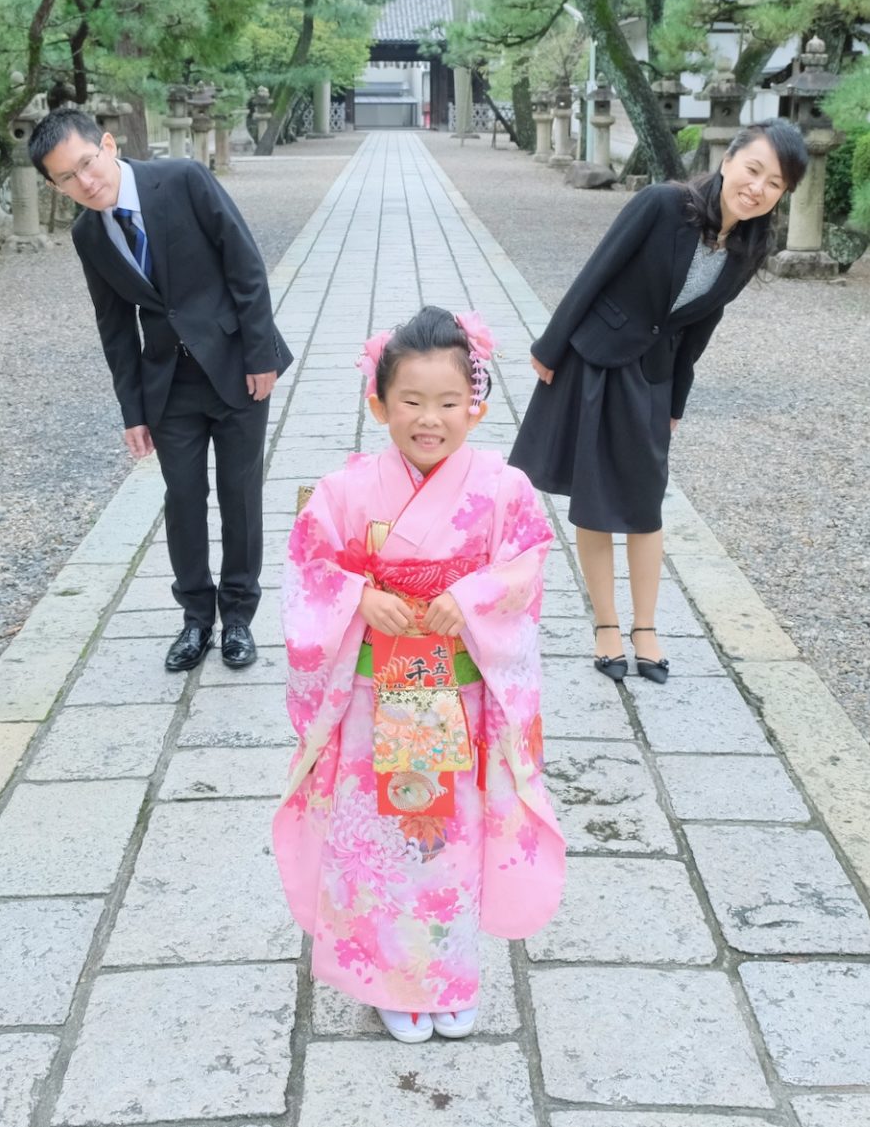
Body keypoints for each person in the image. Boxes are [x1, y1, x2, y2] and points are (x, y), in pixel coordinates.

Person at [274, 307, 565, 1044]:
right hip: (379, 695)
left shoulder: (503, 489)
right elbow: (309, 567)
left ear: (478, 404)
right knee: (384, 839)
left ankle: (448, 976)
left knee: (448, 838)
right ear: (378, 403)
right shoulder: (345, 491)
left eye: (447, 402)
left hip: (459, 693)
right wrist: (360, 596)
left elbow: (526, 563)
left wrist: (467, 598)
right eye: (410, 400)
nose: (428, 419)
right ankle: (386, 978)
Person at [509, 121, 808, 683]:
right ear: (729, 160)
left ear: (782, 194)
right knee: (595, 499)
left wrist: (676, 402)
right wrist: (549, 348)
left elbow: (701, 327)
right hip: (596, 360)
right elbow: (597, 270)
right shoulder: (662, 204)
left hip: (652, 376)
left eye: (774, 182)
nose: (757, 187)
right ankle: (606, 628)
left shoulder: (750, 246)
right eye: (753, 169)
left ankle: (645, 628)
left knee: (645, 506)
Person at [29, 106, 293, 671]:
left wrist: (260, 353)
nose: (86, 182)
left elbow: (244, 265)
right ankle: (196, 619)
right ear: (55, 186)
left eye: (86, 163)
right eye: (67, 178)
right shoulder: (88, 235)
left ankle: (239, 618)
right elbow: (115, 325)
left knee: (240, 495)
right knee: (183, 499)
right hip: (168, 384)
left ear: (106, 144)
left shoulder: (182, 179)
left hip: (235, 367)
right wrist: (133, 411)